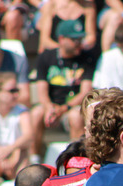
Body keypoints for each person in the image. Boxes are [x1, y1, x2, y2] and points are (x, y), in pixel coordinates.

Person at [31, 19, 96, 157]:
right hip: (51, 105)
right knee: (36, 113)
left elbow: (86, 92)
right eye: (74, 40)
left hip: (72, 106)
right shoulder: (46, 57)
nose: (79, 43)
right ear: (61, 39)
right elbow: (41, 89)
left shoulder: (87, 58)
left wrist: (64, 108)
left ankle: (76, 159)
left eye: (80, 39)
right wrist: (49, 107)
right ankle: (34, 157)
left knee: (76, 115)